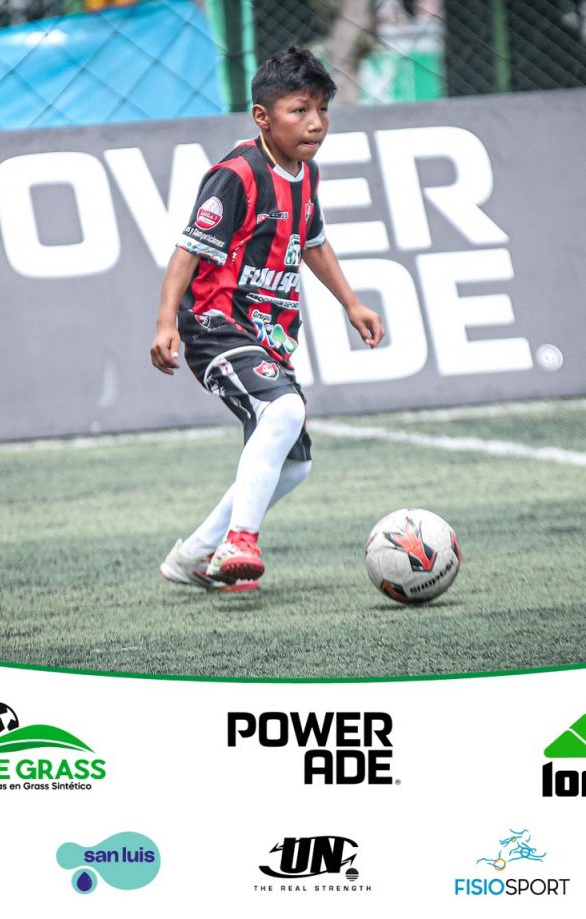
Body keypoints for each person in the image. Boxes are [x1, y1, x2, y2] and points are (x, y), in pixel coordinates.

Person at [150, 45, 384, 591]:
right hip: (215, 326)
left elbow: (313, 242)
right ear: (263, 117)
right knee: (283, 409)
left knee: (295, 464)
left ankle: (193, 556)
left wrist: (352, 303)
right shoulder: (236, 175)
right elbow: (187, 251)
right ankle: (240, 540)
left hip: (267, 336)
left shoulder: (307, 174)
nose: (316, 123)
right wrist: (165, 324)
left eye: (322, 109)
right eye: (299, 110)